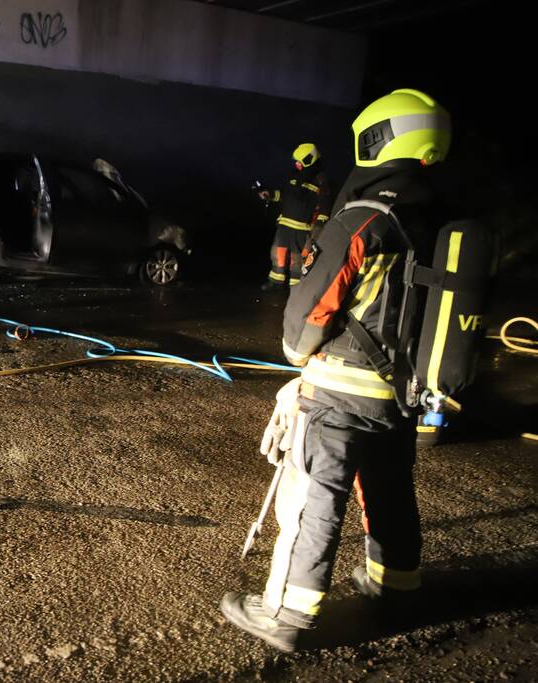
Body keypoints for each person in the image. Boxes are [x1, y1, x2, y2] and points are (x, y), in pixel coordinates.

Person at [221, 89, 453, 652]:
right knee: (390, 488)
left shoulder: (366, 215)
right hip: (400, 393)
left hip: (340, 391)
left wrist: (297, 354)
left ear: (380, 137)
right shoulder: (435, 220)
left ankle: (283, 613)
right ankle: (395, 584)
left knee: (312, 497)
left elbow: (312, 306)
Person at [259, 144, 331, 290]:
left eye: (299, 161)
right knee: (277, 253)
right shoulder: (294, 176)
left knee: (297, 259)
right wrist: (270, 195)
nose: (296, 164)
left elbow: (325, 205)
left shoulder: (321, 180)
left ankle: (296, 287)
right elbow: (284, 195)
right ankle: (275, 281)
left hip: (302, 229)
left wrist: (319, 228)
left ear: (309, 159)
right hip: (284, 224)